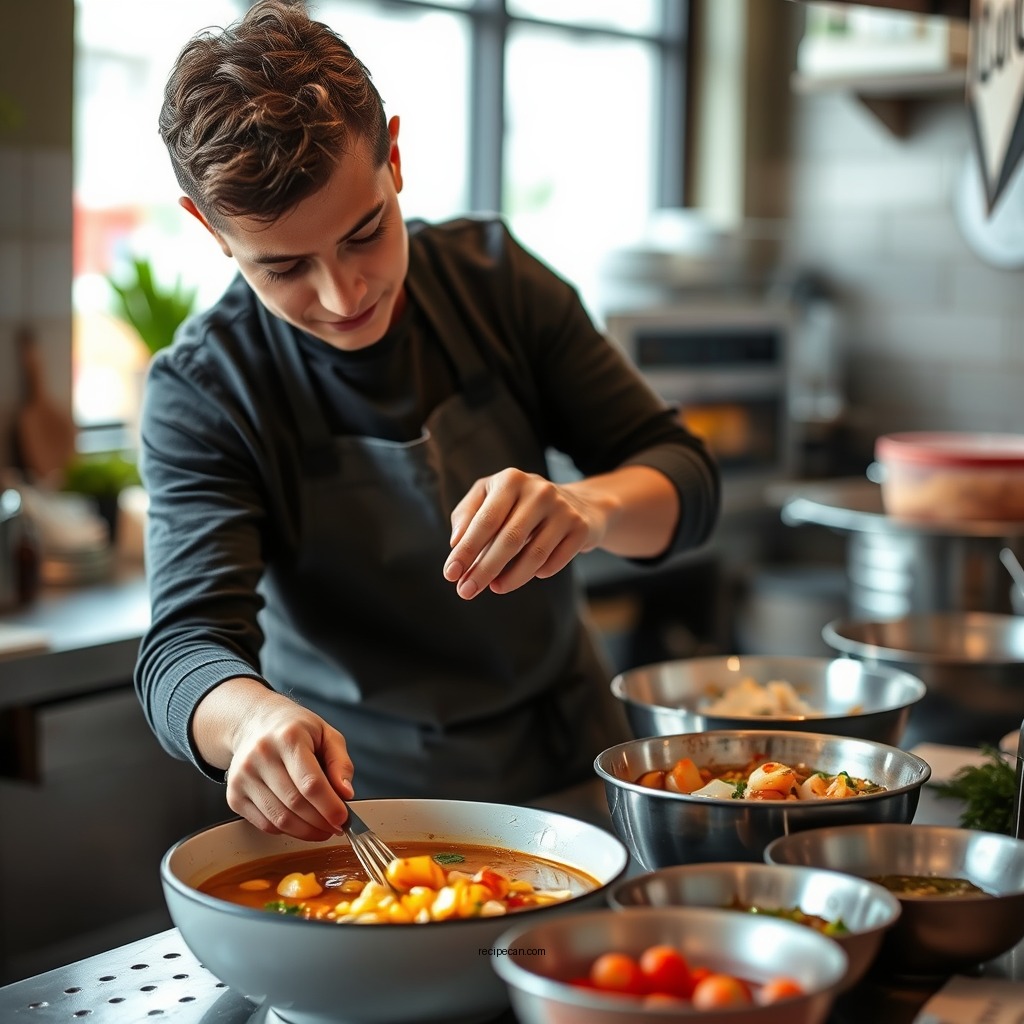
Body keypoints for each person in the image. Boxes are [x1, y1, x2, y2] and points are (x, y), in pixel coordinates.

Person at [135, 0, 720, 843]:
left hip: (572, 772)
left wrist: (589, 510)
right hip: (370, 817)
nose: (344, 296)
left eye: (365, 233)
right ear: (212, 232)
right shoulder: (205, 388)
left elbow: (687, 479)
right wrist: (250, 720)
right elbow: (182, 651)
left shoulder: (496, 282)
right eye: (286, 267)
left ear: (395, 158)